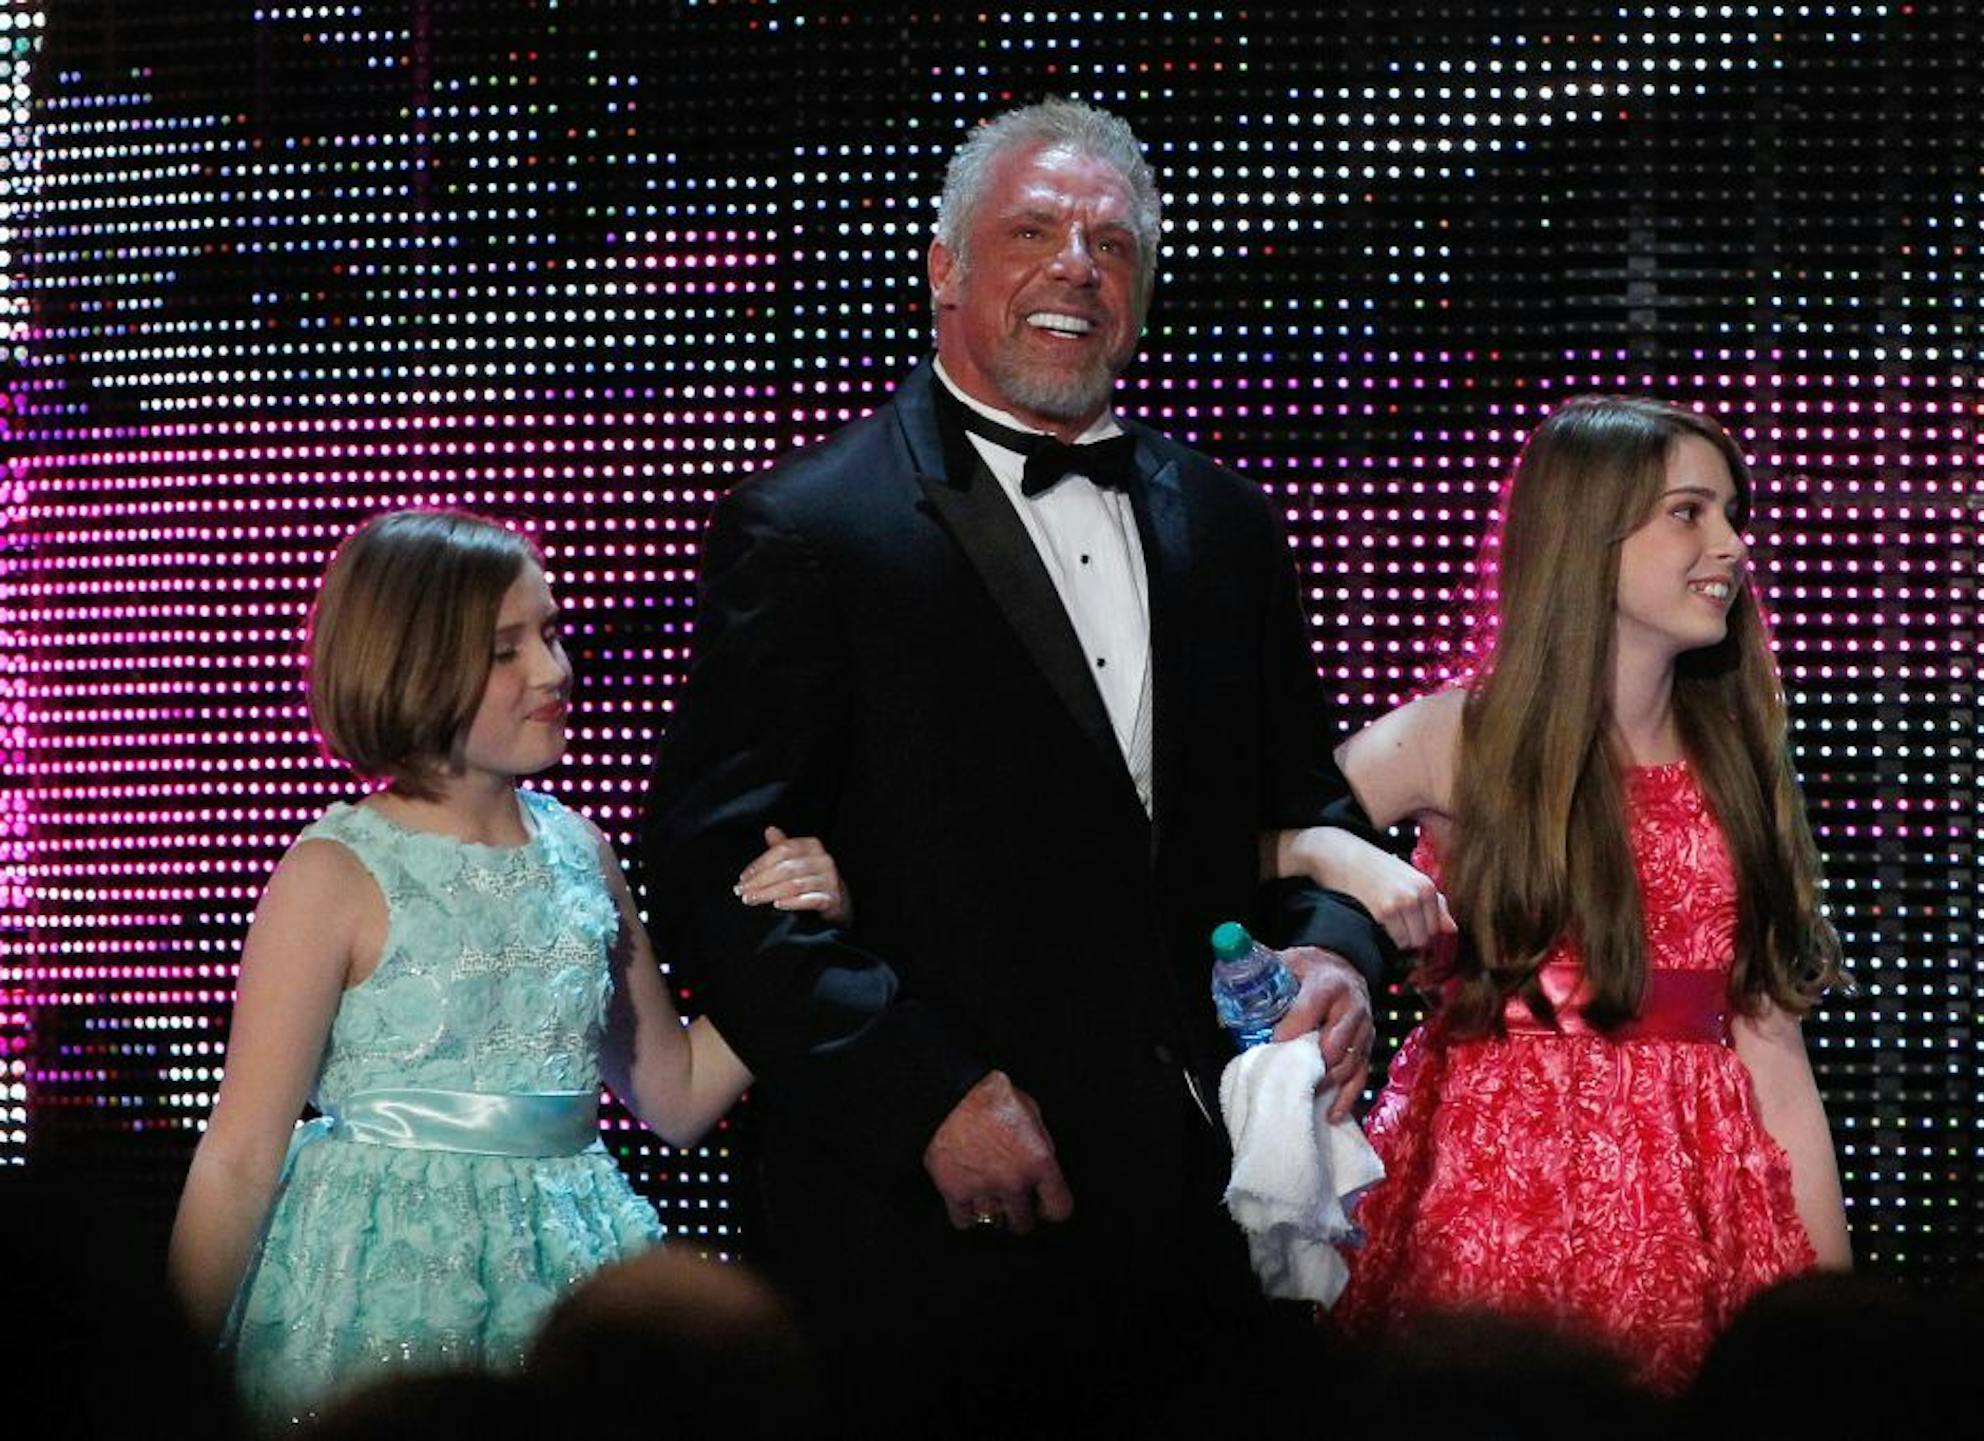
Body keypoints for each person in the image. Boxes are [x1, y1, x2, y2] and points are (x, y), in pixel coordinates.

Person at [640, 98, 1390, 1428]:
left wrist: (1336, 952)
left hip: (1206, 1242)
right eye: (1034, 232)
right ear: (943, 266)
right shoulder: (811, 528)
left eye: (1112, 244)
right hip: (938, 1236)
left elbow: (1308, 810)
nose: (1076, 267)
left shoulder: (1226, 523)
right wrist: (924, 1097)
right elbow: (712, 872)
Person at [1293, 396, 1851, 1392]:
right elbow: (1270, 835)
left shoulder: (1738, 760)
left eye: (1733, 514)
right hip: (1500, 1189)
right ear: (1589, 533)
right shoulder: (1456, 735)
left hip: (1702, 1202)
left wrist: (1838, 1323)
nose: (1729, 544)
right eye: (1689, 511)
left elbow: (1774, 1050)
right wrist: (1362, 866)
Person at [167, 510, 755, 1421]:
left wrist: (798, 947)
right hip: (377, 1282)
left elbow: (673, 1095)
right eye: (505, 650)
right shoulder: (333, 872)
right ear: (413, 665)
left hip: (570, 1270)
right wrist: (161, 1378)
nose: (555, 672)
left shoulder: (578, 850)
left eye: (552, 634)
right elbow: (240, 1154)